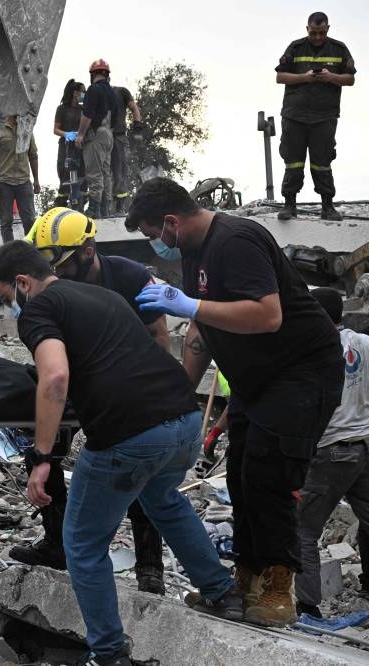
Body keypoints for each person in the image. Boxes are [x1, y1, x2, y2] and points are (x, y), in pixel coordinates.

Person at [0, 240, 239, 666]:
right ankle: (222, 591)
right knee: (163, 499)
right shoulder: (102, 294)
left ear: (24, 283)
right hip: (184, 421)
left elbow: (54, 379)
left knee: (82, 543)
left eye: (7, 297)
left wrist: (42, 457)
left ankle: (107, 653)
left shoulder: (39, 310)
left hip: (130, 434)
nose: (10, 307)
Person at [127, 177, 344, 627]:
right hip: (255, 381)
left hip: (299, 374)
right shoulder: (193, 251)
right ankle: (245, 582)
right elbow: (200, 330)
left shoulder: (236, 240)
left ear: (171, 222)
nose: (155, 244)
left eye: (152, 233)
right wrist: (177, 393)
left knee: (269, 474)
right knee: (242, 477)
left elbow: (267, 315)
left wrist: (190, 307)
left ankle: (278, 587)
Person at [10, 208, 169, 594]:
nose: (55, 276)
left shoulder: (129, 277)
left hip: (124, 389)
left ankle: (150, 567)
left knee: (138, 471)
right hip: (75, 385)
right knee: (42, 454)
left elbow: (159, 338)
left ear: (87, 251)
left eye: (60, 265)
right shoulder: (44, 288)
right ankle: (56, 544)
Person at [295, 288, 369, 619]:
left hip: (330, 451)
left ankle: (308, 606)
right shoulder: (364, 343)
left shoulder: (312, 348)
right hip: (364, 445)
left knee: (304, 531)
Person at [274, 11, 356, 222]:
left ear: (328, 29)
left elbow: (350, 79)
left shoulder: (339, 49)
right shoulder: (296, 47)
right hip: (294, 115)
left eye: (321, 32)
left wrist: (331, 77)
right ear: (307, 29)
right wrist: (304, 77)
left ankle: (327, 206)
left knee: (323, 162)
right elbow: (279, 77)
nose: (317, 37)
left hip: (324, 116)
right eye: (313, 33)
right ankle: (289, 205)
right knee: (293, 161)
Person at [0, 116, 40, 244]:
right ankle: (9, 252)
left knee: (30, 220)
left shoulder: (26, 128)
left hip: (24, 182)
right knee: (6, 221)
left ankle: (33, 251)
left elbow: (33, 155)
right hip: (4, 183)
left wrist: (36, 180)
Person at [76, 60, 119, 219]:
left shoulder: (93, 90)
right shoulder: (112, 94)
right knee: (105, 172)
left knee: (94, 172)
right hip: (109, 135)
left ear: (92, 74)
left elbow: (88, 115)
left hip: (95, 135)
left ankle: (94, 209)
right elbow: (115, 119)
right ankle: (105, 208)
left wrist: (80, 134)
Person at [109, 82, 143, 214]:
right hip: (100, 139)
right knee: (101, 174)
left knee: (120, 172)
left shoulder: (121, 91)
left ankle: (120, 207)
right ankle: (102, 206)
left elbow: (134, 109)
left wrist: (137, 126)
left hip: (118, 137)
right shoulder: (96, 92)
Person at [53, 79, 86, 210]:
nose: (85, 94)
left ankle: (80, 208)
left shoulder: (83, 109)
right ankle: (61, 207)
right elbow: (55, 129)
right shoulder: (62, 109)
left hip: (80, 146)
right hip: (66, 147)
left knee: (82, 179)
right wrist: (67, 134)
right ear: (75, 93)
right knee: (65, 178)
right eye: (83, 91)